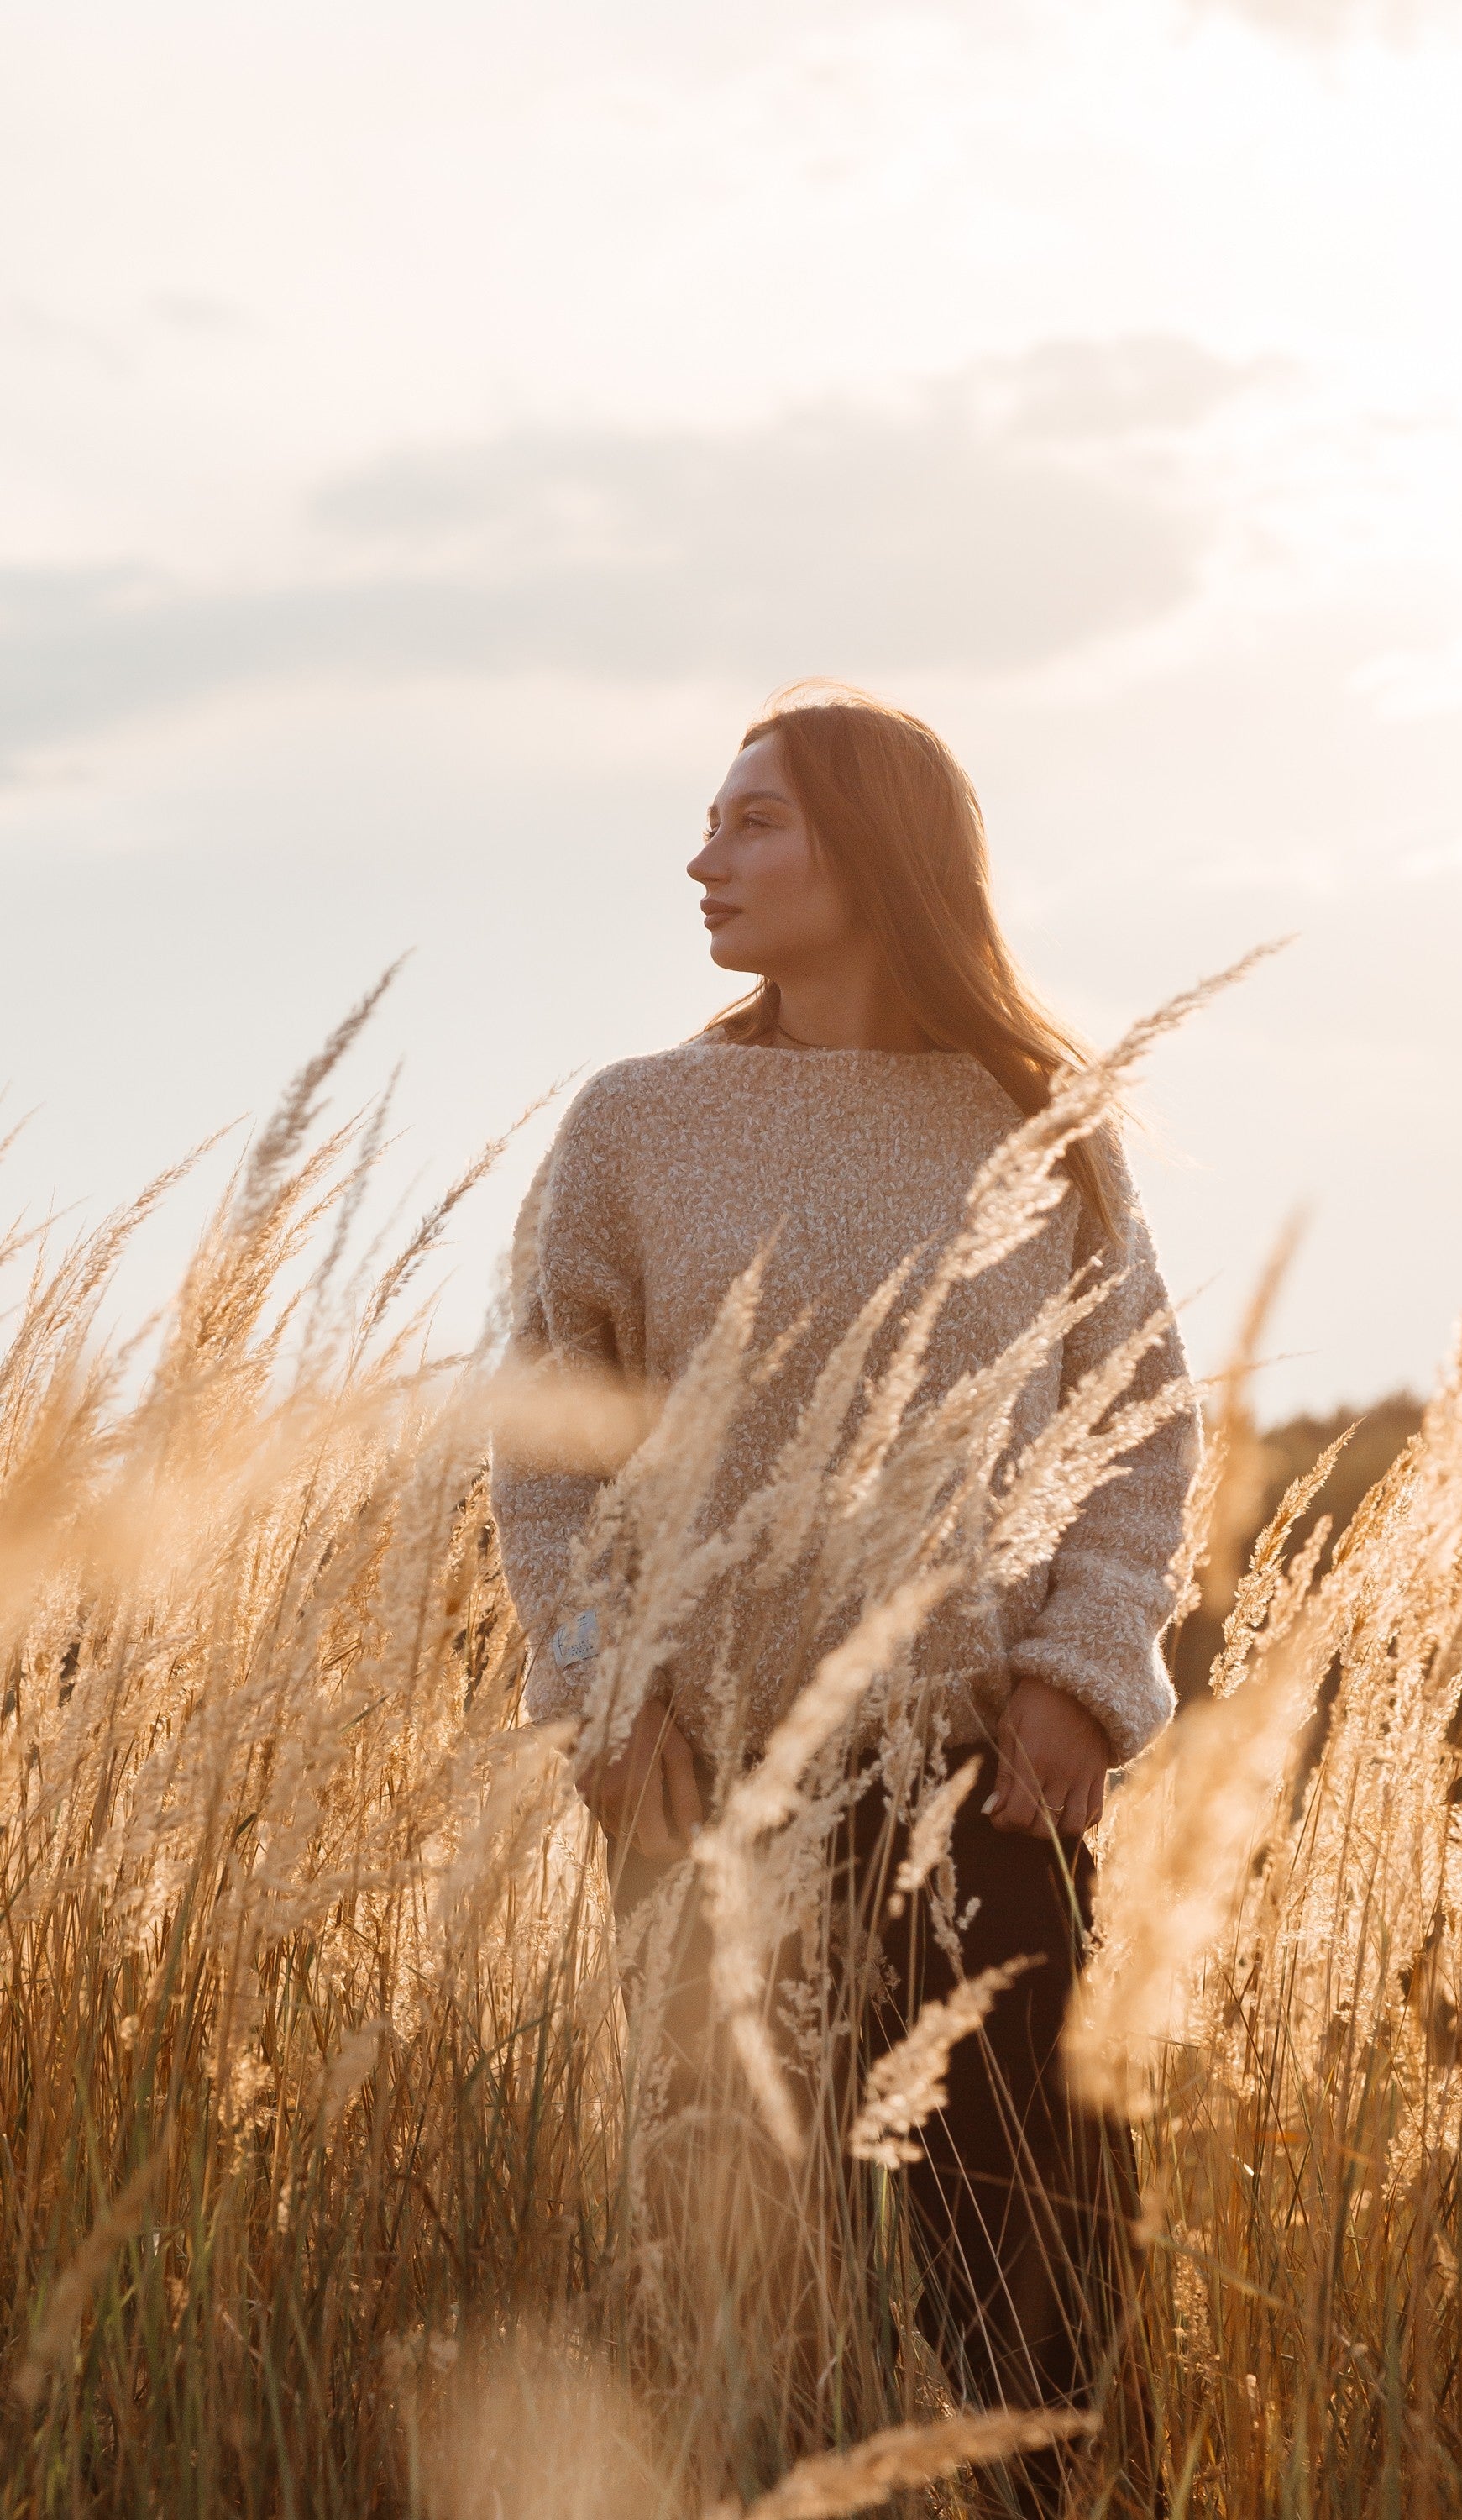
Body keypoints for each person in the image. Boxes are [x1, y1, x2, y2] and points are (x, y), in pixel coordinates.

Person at [491, 688, 1195, 2517]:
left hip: (980, 1787)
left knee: (1026, 2324)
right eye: (712, 823)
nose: (705, 857)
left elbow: (1136, 1432)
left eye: (754, 823)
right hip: (703, 1791)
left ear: (874, 851)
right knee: (741, 2309)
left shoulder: (1041, 1125)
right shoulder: (636, 1127)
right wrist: (597, 1694)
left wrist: (1078, 1674)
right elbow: (549, 1456)